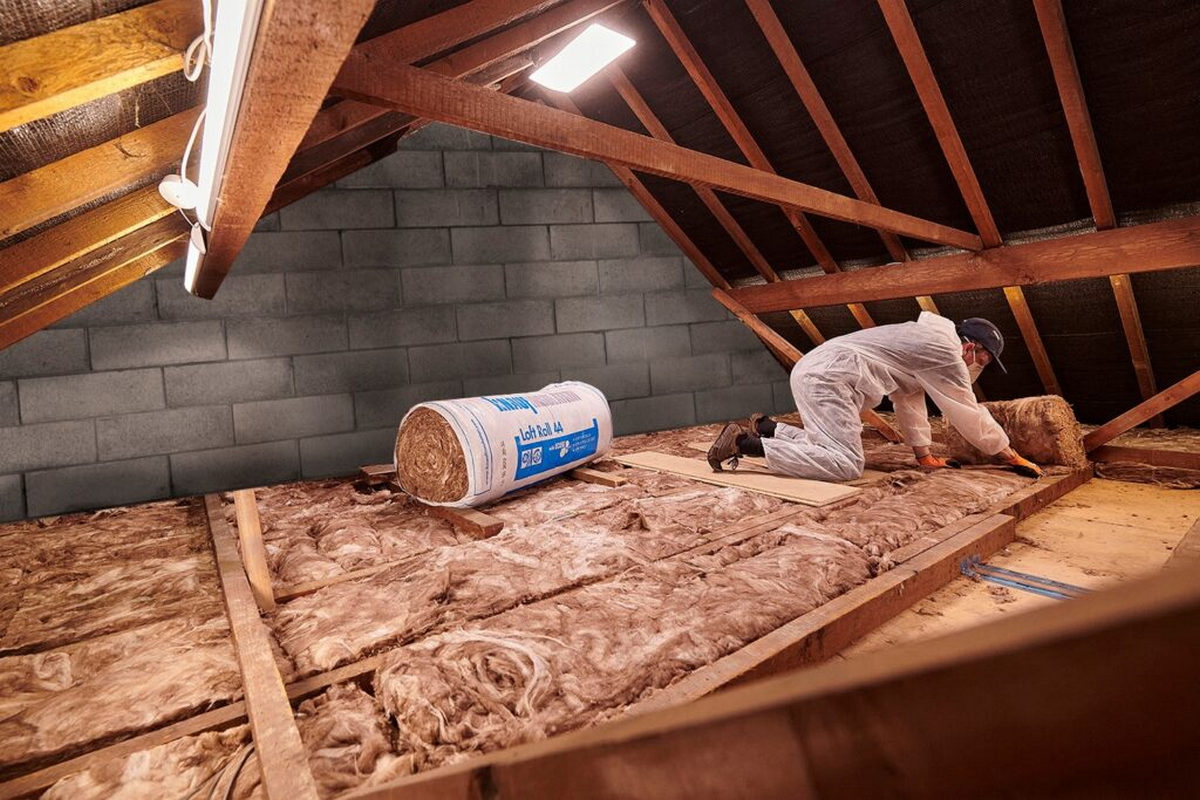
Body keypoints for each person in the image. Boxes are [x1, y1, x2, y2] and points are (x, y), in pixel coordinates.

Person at [706, 312, 1045, 480]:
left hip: (822, 372)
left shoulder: (925, 347)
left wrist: (923, 456)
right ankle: (744, 444)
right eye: (983, 359)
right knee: (847, 465)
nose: (980, 366)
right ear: (970, 345)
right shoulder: (945, 350)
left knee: (827, 445)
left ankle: (768, 428)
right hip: (830, 379)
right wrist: (1009, 454)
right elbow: (966, 410)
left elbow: (909, 399)